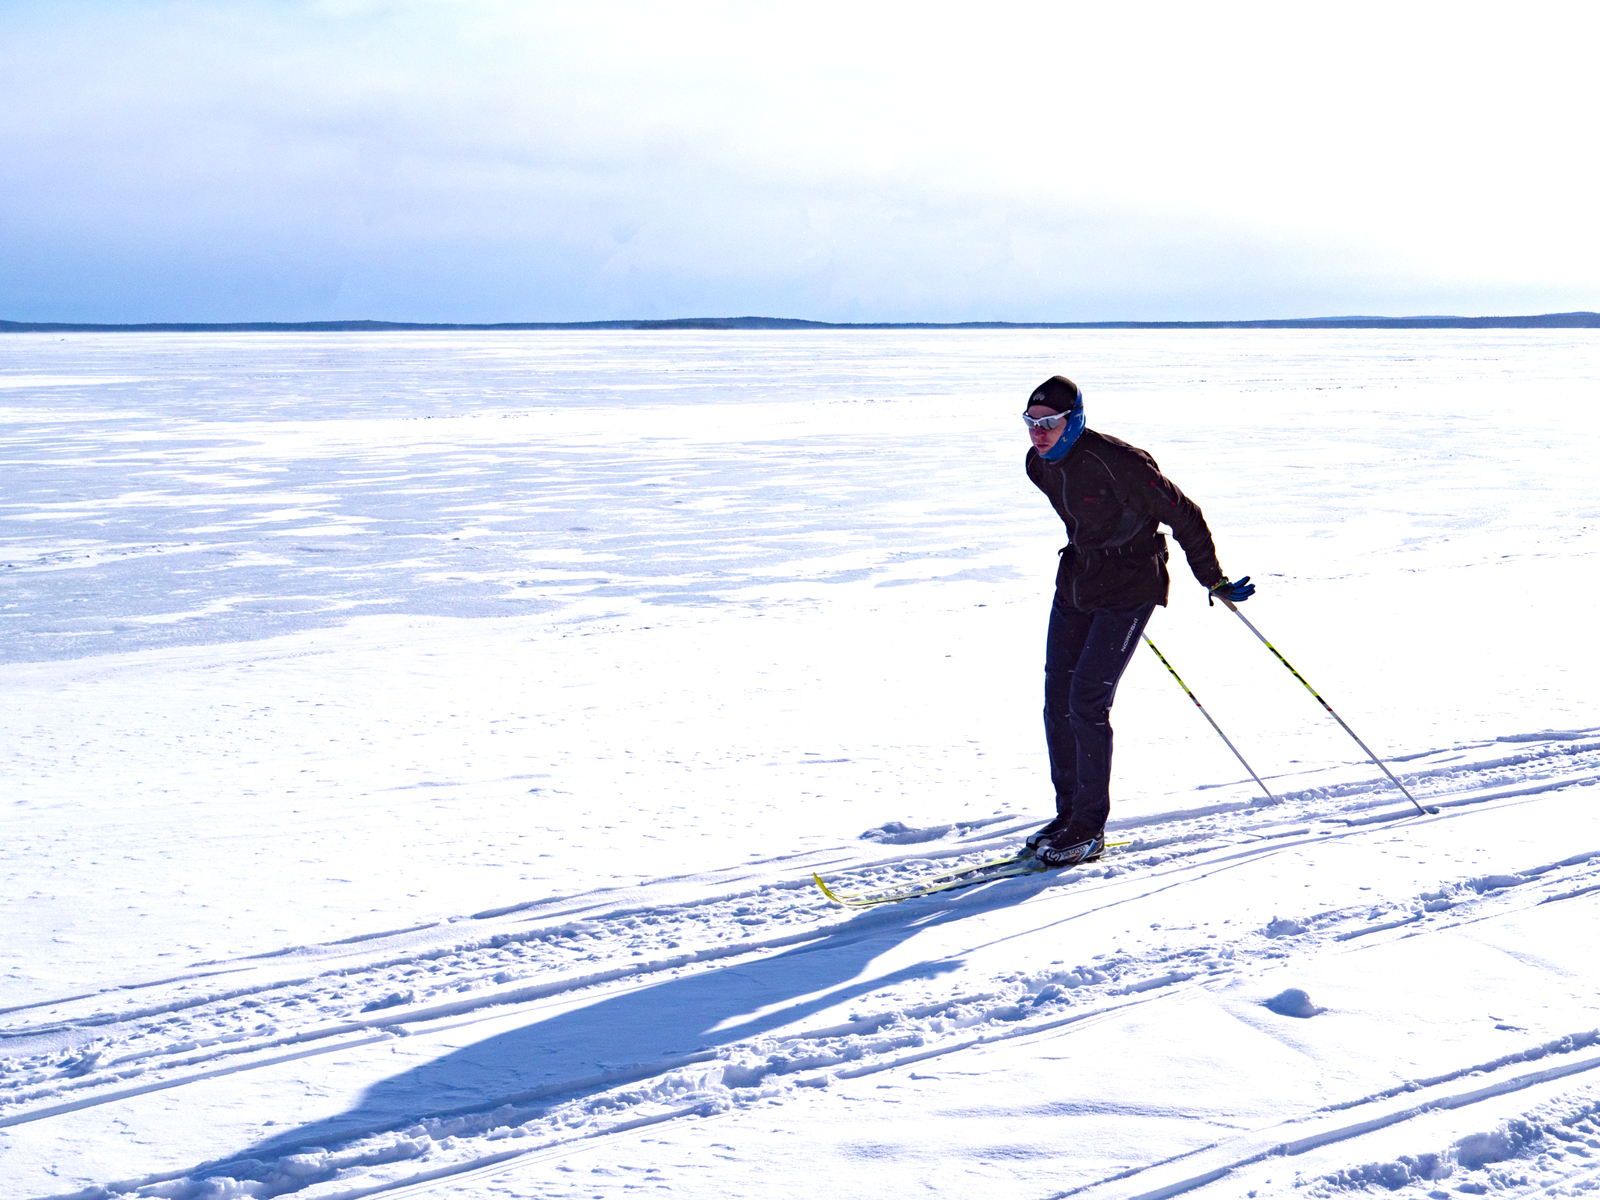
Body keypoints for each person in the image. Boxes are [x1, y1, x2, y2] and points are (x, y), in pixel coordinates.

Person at [1021, 375, 1253, 867]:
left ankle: (1089, 829)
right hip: (1079, 580)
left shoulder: (1120, 462)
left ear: (1074, 421)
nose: (1039, 433)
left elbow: (1184, 514)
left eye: (1050, 423)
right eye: (1031, 423)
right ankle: (1068, 816)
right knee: (1056, 699)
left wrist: (1212, 578)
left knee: (1086, 700)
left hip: (1131, 584)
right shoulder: (1037, 465)